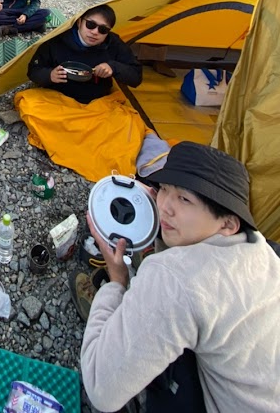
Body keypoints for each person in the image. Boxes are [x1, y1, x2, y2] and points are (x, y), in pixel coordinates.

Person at [81, 141, 280, 413]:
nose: (164, 207)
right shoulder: (263, 251)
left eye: (184, 199)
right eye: (164, 189)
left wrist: (116, 282)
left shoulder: (176, 279)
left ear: (227, 223)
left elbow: (99, 389)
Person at [15, 5, 148, 180]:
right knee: (28, 103)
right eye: (91, 25)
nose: (95, 32)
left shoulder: (113, 44)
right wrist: (50, 75)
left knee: (129, 123)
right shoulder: (57, 41)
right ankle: (75, 142)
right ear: (79, 22)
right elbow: (33, 70)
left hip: (98, 103)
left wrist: (113, 67)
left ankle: (71, 143)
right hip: (60, 100)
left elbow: (136, 76)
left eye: (103, 29)